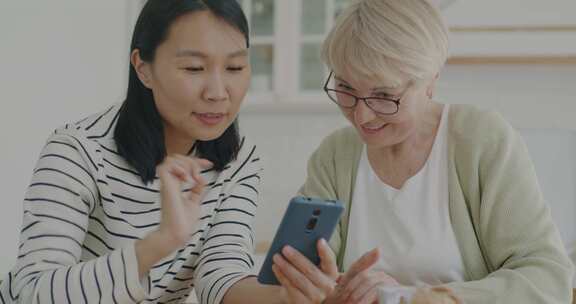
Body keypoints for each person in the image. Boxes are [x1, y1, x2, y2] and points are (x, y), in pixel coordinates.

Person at [271, 0, 574, 303]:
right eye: (345, 88)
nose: (361, 117)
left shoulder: (481, 141)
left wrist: (414, 297)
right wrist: (319, 292)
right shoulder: (335, 156)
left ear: (430, 81)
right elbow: (301, 277)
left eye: (384, 95)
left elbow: (548, 279)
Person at [0, 1, 272, 303]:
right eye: (194, 68)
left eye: (235, 67)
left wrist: (289, 295)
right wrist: (162, 241)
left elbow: (222, 278)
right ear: (143, 68)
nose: (218, 92)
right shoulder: (78, 152)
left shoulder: (239, 160)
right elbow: (31, 294)